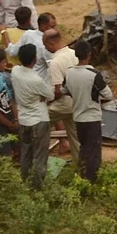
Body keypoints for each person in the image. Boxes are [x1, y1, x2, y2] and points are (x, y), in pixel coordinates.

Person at [66, 40, 113, 181]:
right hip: (92, 118)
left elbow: (64, 90)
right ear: (89, 54)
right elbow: (108, 95)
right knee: (93, 153)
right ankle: (91, 181)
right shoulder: (94, 74)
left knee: (84, 149)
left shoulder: (69, 73)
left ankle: (81, 177)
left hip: (78, 118)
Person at [10, 45, 54, 188]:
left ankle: (25, 183)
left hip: (23, 120)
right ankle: (38, 188)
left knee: (26, 154)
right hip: (39, 120)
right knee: (40, 157)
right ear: (35, 60)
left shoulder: (15, 72)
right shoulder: (36, 80)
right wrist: (41, 96)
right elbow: (51, 95)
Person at [45, 31, 81, 166]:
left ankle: (37, 159)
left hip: (65, 102)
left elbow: (58, 91)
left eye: (46, 45)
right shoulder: (74, 54)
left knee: (39, 119)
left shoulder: (56, 62)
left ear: (51, 43)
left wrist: (47, 101)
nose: (46, 48)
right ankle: (81, 166)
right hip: (78, 100)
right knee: (75, 135)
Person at [8, 12, 54, 80]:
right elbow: (53, 68)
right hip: (40, 83)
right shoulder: (47, 44)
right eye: (52, 26)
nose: (54, 29)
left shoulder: (28, 34)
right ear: (43, 26)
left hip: (24, 79)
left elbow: (12, 51)